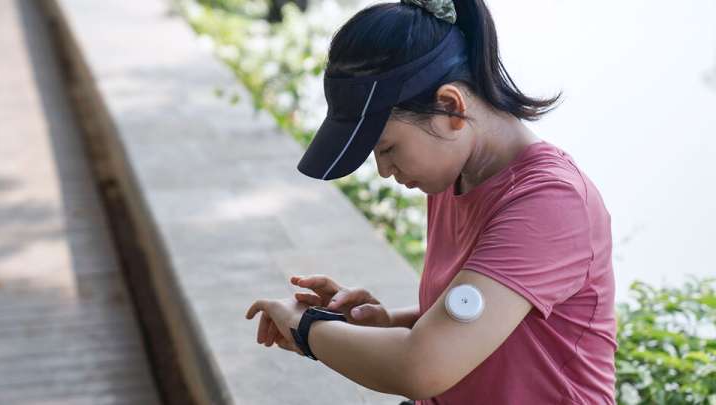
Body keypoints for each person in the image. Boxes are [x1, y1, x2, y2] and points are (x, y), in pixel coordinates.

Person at [245, 0, 618, 403]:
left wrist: (305, 327)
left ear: (450, 107)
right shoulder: (453, 174)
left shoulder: (549, 203)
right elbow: (478, 316)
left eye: (387, 148)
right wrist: (386, 322)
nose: (384, 170)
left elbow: (421, 367)